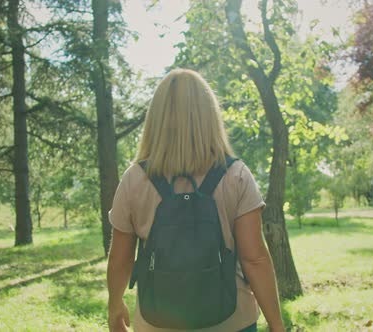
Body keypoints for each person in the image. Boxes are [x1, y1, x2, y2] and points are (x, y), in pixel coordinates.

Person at [106, 68, 285, 332]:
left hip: (158, 321)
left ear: (156, 118)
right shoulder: (235, 175)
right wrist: (276, 324)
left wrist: (115, 305)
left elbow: (121, 259)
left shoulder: (135, 179)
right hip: (232, 320)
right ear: (209, 116)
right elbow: (255, 259)